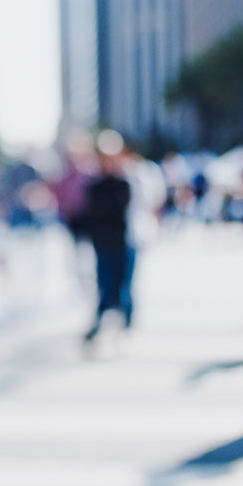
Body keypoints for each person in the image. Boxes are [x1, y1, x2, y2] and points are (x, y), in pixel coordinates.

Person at [82, 131, 133, 344]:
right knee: (104, 282)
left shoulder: (124, 183)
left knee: (125, 284)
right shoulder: (94, 185)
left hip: (123, 240)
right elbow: (93, 213)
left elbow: (117, 210)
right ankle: (101, 320)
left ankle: (126, 324)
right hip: (103, 242)